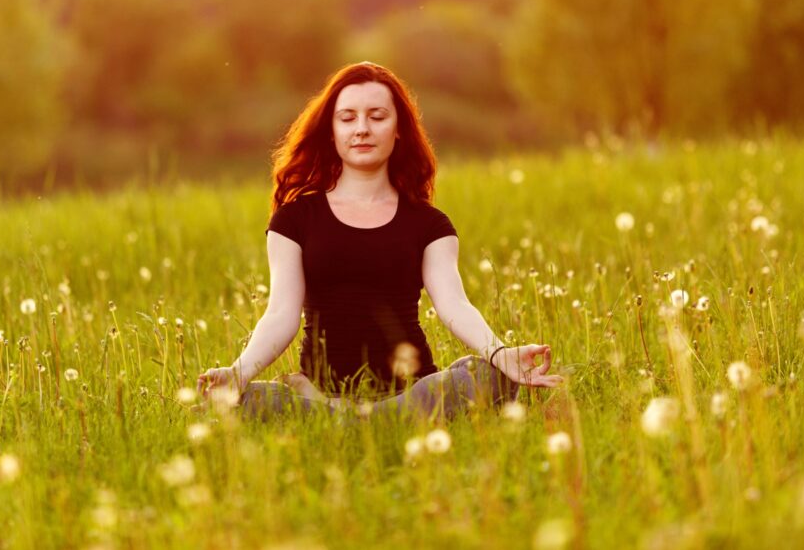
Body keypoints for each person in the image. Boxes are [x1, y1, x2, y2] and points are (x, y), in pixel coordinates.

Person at [197, 62, 563, 421]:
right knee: (245, 399)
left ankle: (343, 419)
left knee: (485, 376)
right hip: (324, 389)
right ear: (331, 131)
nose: (362, 129)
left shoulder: (429, 224)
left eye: (376, 116)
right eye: (348, 118)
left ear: (399, 128)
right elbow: (281, 315)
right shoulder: (294, 220)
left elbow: (454, 305)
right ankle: (353, 414)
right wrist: (239, 373)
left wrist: (501, 354)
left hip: (414, 390)